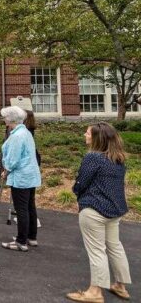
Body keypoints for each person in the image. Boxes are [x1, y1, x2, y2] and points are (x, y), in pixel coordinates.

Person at [67, 122, 132, 302]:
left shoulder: (93, 157)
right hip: (114, 209)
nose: (85, 135)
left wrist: (76, 191)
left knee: (97, 251)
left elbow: (82, 182)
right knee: (115, 247)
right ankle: (120, 285)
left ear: (97, 137)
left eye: (88, 133)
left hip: (94, 209)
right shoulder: (118, 158)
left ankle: (95, 292)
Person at [0, 105, 41, 252]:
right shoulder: (26, 132)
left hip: (21, 176)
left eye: (5, 117)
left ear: (11, 119)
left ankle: (21, 241)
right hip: (30, 175)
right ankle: (31, 237)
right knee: (30, 206)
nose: (4, 119)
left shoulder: (17, 136)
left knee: (21, 209)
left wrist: (6, 170)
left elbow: (13, 159)